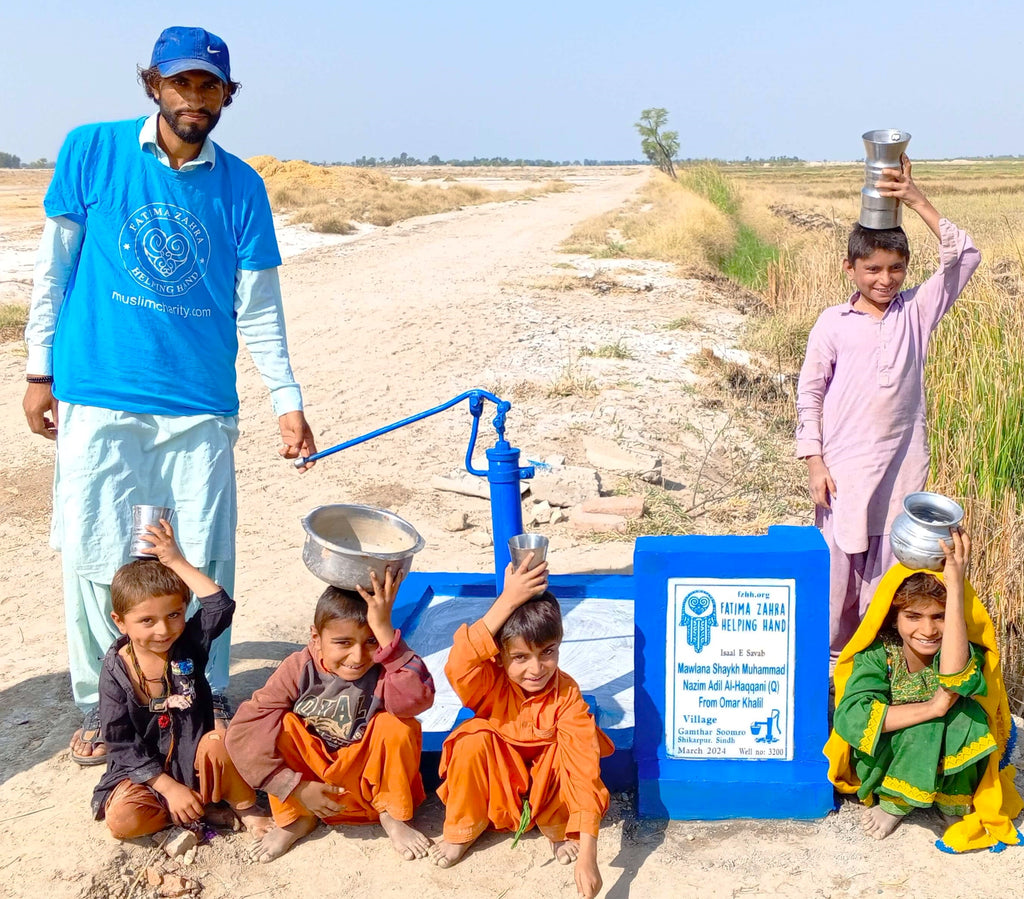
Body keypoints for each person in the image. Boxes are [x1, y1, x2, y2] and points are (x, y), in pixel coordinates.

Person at [21, 25, 317, 766]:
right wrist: (36, 369)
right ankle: (102, 701)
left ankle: (200, 701)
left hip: (200, 405)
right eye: (181, 83)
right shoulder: (91, 149)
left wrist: (287, 397)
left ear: (226, 95)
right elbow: (51, 270)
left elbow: (258, 307)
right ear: (154, 84)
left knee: (203, 555)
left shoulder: (242, 186)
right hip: (99, 391)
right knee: (95, 554)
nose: (196, 99)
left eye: (210, 86)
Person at [795, 155, 981, 662]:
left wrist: (915, 198)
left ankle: (878, 671)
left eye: (896, 268)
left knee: (888, 581)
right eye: (872, 268)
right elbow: (809, 392)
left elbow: (964, 257)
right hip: (844, 474)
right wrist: (814, 460)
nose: (885, 279)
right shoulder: (832, 323)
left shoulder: (917, 312)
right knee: (838, 581)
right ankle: (830, 672)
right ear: (849, 267)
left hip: (902, 472)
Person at [824, 530, 1023, 851]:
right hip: (887, 764)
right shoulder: (878, 653)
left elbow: (958, 676)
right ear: (893, 617)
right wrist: (932, 709)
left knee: (969, 717)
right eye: (913, 616)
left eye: (939, 617)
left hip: (945, 761)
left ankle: (951, 802)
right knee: (931, 723)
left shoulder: (955, 649)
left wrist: (956, 586)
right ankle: (895, 803)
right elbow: (852, 717)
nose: (928, 630)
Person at [429, 557, 614, 899]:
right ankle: (464, 829)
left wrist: (589, 857)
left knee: (566, 754)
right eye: (520, 657)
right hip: (500, 783)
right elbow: (459, 662)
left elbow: (584, 771)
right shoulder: (489, 682)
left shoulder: (567, 696)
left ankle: (559, 831)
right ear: (500, 656)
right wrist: (508, 601)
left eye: (548, 652)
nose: (536, 668)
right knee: (472, 739)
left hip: (546, 791)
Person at [225, 568, 435, 863]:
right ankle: (297, 819)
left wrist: (388, 637)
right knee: (281, 725)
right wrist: (293, 787)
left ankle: (393, 815)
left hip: (364, 775)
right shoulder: (299, 668)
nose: (358, 657)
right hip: (311, 781)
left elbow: (417, 701)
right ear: (315, 637)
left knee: (398, 725)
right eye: (343, 643)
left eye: (372, 641)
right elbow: (244, 730)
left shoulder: (384, 669)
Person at [93, 519, 271, 840]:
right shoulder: (116, 672)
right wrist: (168, 787)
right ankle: (200, 810)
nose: (163, 630)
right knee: (123, 821)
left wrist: (176, 561)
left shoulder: (188, 643)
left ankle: (244, 807)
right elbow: (121, 742)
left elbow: (219, 606)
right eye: (146, 620)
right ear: (120, 622)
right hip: (147, 777)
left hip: (197, 760)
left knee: (220, 742)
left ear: (184, 611)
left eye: (174, 615)